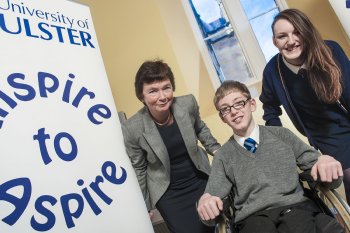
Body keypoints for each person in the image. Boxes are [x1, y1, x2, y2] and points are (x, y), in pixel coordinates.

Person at [197, 80, 344, 233]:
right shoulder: (222, 156)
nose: (234, 111)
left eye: (239, 103)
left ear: (252, 104)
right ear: (222, 118)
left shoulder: (282, 135)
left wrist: (325, 162)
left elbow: (330, 180)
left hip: (295, 208)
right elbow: (211, 210)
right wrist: (206, 203)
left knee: (299, 222)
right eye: (225, 109)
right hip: (252, 219)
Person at [259, 8, 350, 203]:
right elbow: (270, 109)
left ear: (306, 32)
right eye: (282, 36)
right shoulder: (272, 71)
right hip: (328, 137)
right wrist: (281, 146)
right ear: (275, 42)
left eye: (297, 32)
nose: (291, 41)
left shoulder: (330, 50)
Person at [122, 59, 220, 233]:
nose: (162, 96)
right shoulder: (133, 128)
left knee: (219, 226)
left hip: (201, 179)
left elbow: (201, 130)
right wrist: (145, 206)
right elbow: (139, 168)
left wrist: (217, 151)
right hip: (169, 193)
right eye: (152, 91)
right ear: (141, 96)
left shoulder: (187, 103)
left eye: (166, 88)